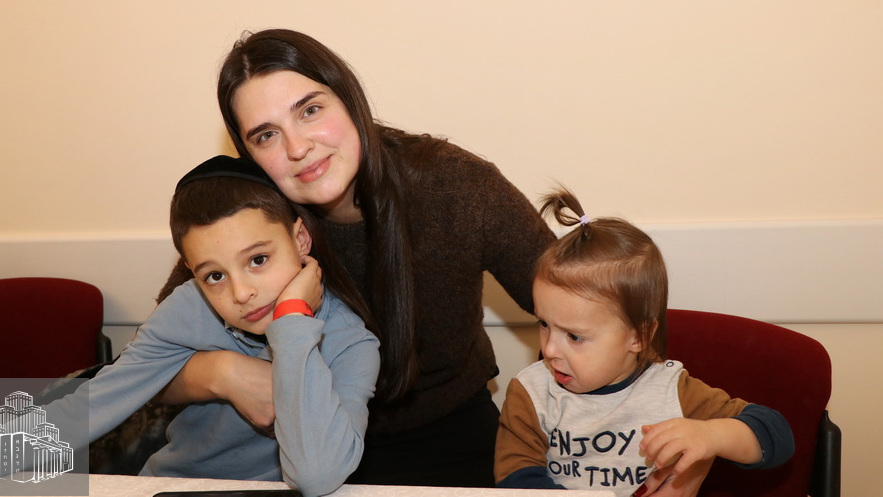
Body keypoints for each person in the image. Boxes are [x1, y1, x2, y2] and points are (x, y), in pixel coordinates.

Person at [158, 28, 558, 487]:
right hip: (291, 452)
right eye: (266, 135)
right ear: (247, 154)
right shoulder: (252, 217)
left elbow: (583, 307)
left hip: (451, 439)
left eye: (310, 110)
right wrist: (222, 373)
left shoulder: (454, 186)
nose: (297, 148)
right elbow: (148, 370)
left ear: (349, 99)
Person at [68, 155, 379, 497]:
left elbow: (316, 477)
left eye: (258, 260)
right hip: (175, 487)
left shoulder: (351, 342)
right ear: (192, 272)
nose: (242, 293)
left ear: (301, 239)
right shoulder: (190, 307)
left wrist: (293, 320)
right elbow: (95, 401)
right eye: (215, 276)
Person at [494, 188, 794, 496]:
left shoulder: (672, 391)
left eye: (574, 336)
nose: (549, 350)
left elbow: (777, 436)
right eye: (544, 325)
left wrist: (712, 434)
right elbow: (515, 480)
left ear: (638, 336)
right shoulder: (531, 392)